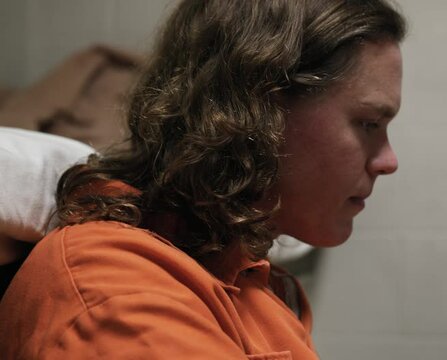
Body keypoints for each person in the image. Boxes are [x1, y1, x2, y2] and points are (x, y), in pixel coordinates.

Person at [0, 0, 405, 358]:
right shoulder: (118, 290)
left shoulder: (251, 274)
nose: (389, 161)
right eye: (369, 123)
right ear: (260, 109)